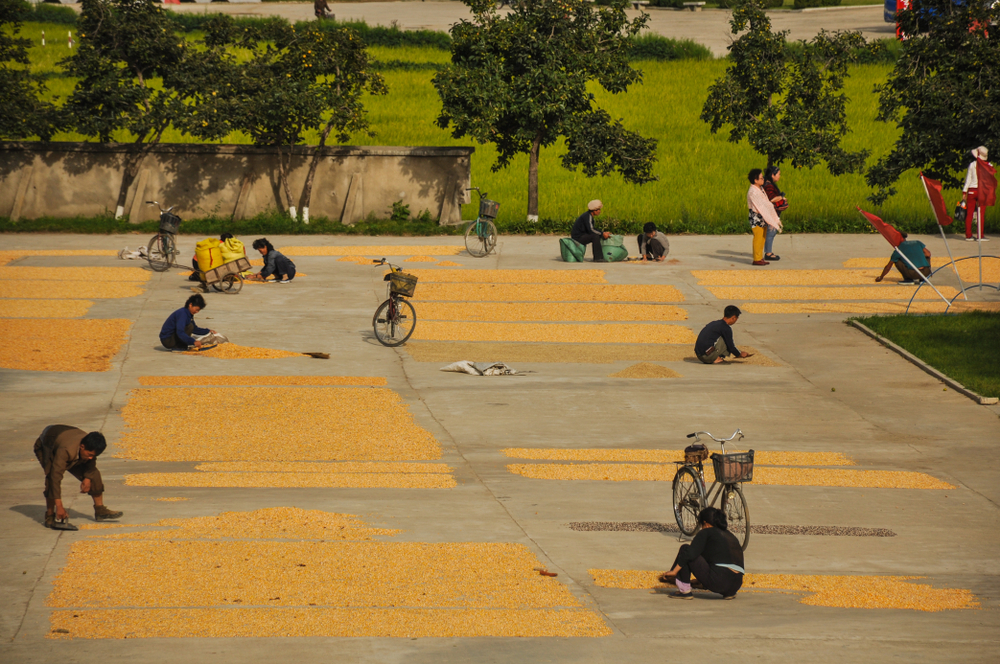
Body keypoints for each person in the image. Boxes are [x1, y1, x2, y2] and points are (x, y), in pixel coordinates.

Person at [34, 425, 122, 528]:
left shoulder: (89, 445)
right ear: (82, 447)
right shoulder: (65, 451)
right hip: (47, 445)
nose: (90, 458)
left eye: (93, 456)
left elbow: (91, 465)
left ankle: (100, 510)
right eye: (89, 454)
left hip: (67, 438)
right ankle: (50, 517)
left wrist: (87, 478)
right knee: (51, 477)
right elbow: (55, 478)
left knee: (94, 474)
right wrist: (59, 506)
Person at [657, 507, 745, 600]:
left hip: (719, 581)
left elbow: (690, 554)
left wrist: (674, 571)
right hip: (736, 585)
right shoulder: (730, 535)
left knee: (685, 549)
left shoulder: (706, 532)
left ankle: (684, 590)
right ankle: (728, 593)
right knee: (698, 554)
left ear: (705, 523)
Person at [746, 169, 782, 266]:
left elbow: (765, 203)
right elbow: (762, 205)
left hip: (762, 217)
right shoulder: (753, 191)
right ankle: (756, 259)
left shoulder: (760, 189)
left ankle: (760, 257)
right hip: (756, 218)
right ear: (755, 180)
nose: (763, 180)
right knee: (758, 238)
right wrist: (773, 203)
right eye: (761, 178)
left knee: (762, 237)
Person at [962, 146, 991, 242]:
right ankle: (980, 235)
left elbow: (968, 179)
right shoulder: (989, 165)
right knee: (981, 214)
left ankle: (968, 235)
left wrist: (964, 192)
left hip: (971, 191)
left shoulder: (972, 165)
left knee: (969, 213)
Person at [762, 166, 787, 261]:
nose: (780, 176)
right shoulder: (769, 186)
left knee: (769, 232)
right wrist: (781, 198)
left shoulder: (767, 184)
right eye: (779, 174)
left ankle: (767, 251)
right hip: (771, 213)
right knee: (771, 232)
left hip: (769, 212)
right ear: (773, 175)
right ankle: (768, 253)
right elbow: (771, 199)